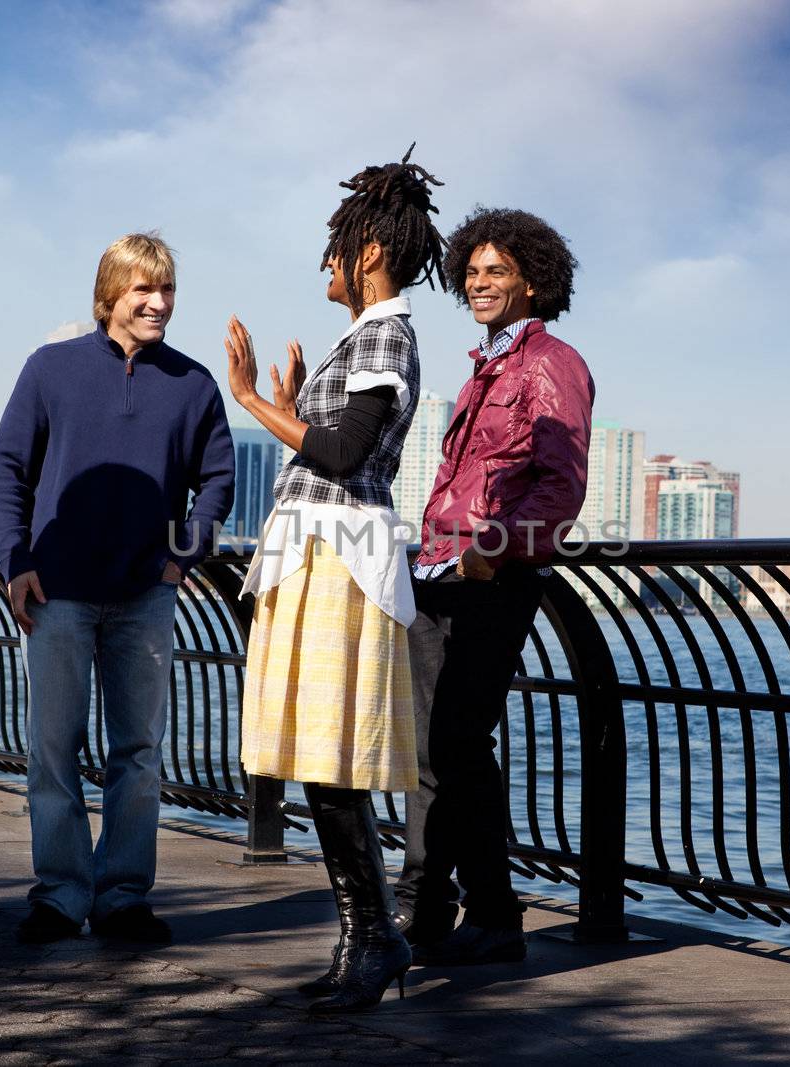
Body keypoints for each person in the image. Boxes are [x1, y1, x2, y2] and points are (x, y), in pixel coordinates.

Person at [226, 147, 446, 1013]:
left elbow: (347, 453)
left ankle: (373, 935)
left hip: (338, 560)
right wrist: (292, 404)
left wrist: (253, 400)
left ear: (370, 254)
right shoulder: (362, 336)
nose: (325, 262)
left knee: (334, 760)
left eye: (337, 247)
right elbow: (333, 442)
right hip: (322, 551)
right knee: (322, 759)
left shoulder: (386, 331)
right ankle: (369, 933)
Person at [0, 233, 234, 945]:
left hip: (145, 598)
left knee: (139, 752)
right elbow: (8, 470)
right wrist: (15, 560)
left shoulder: (192, 385)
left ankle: (123, 895)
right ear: (110, 296)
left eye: (167, 292)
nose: (159, 304)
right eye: (143, 292)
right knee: (52, 748)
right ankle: (61, 895)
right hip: (57, 592)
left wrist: (182, 556)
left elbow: (217, 478)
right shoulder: (49, 370)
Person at [395, 207, 593, 966]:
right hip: (437, 574)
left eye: (496, 271)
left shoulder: (551, 363)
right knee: (433, 748)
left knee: (459, 741)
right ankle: (442, 907)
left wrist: (496, 549)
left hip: (489, 577)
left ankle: (494, 915)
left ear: (533, 281)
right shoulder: (488, 365)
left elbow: (560, 486)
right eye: (472, 272)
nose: (479, 282)